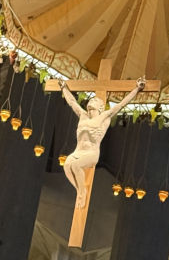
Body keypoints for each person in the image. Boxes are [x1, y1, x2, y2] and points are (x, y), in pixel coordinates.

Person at [60, 76, 146, 207]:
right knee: (67, 165)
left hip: (91, 153)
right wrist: (64, 88)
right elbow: (72, 102)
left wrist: (137, 89)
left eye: (95, 100)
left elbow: (122, 104)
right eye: (91, 99)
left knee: (75, 166)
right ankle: (79, 190)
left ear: (100, 107)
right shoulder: (83, 116)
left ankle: (82, 192)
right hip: (78, 151)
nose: (91, 100)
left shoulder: (104, 117)